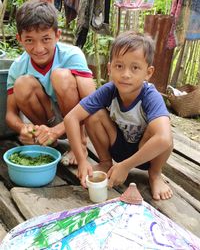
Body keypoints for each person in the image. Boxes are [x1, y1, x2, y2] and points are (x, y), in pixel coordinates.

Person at [64, 31, 173, 200]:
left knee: (162, 133)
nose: (126, 74)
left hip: (147, 154)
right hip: (119, 148)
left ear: (148, 72)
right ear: (109, 69)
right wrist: (82, 159)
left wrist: (126, 166)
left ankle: (155, 175)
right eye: (119, 66)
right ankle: (106, 162)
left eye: (135, 68)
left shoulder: (151, 96)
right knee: (93, 115)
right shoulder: (108, 90)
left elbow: (164, 139)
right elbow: (71, 118)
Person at [6, 0, 95, 164]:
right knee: (22, 83)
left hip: (77, 119)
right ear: (19, 38)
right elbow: (10, 114)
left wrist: (59, 129)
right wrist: (23, 128)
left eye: (46, 39)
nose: (39, 49)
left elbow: (93, 101)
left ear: (57, 35)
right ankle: (46, 138)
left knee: (60, 76)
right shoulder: (17, 67)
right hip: (49, 118)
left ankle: (80, 144)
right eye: (29, 40)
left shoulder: (72, 55)